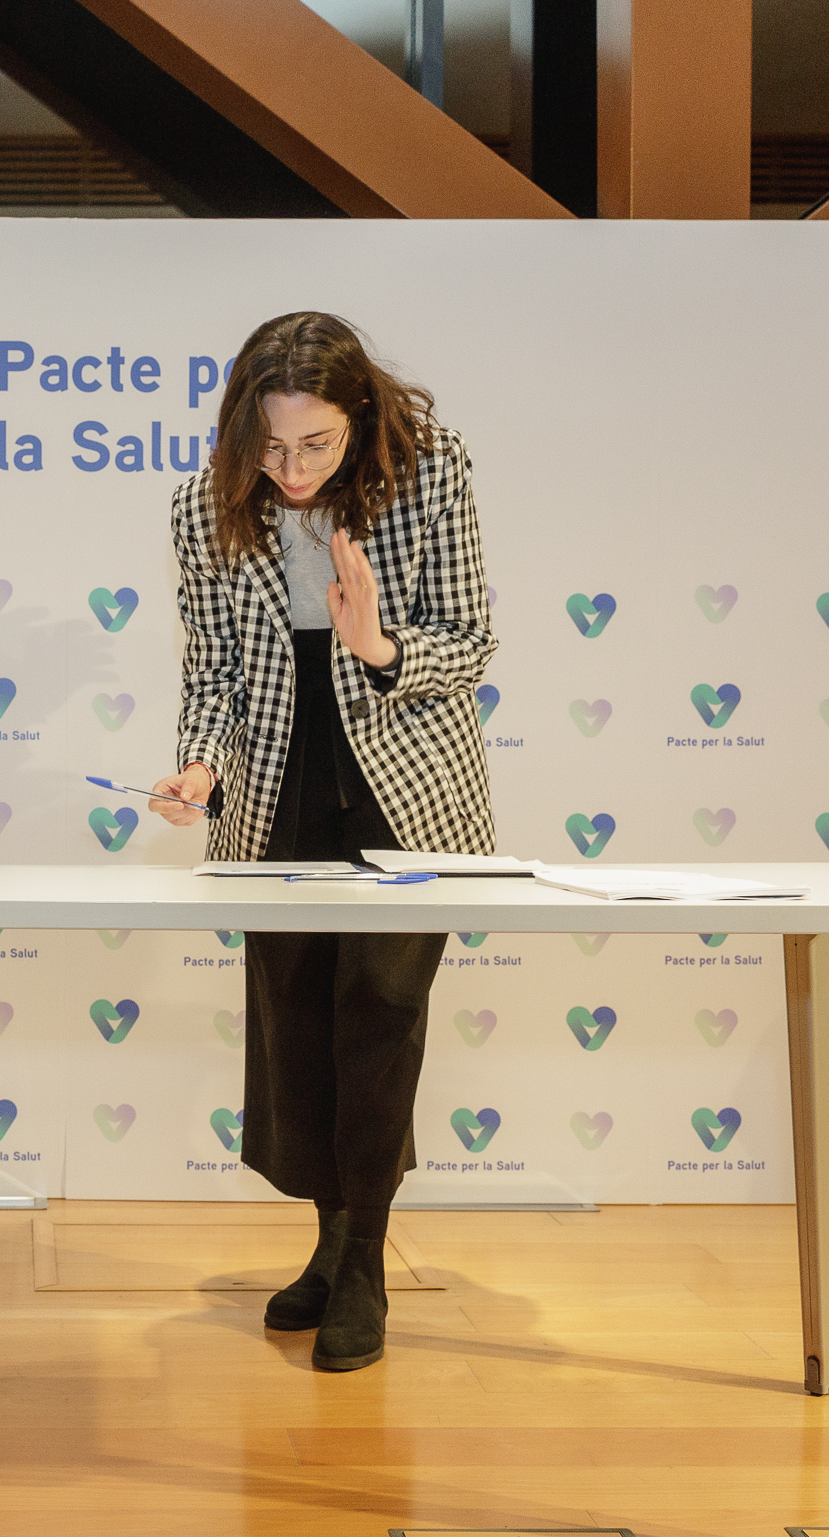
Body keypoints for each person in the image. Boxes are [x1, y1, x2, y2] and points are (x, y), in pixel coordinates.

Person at [148, 310, 497, 1374]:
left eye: (316, 444)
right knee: (293, 1021)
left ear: (358, 416)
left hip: (406, 783)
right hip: (277, 783)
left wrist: (379, 646)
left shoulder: (429, 471)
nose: (291, 469)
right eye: (270, 446)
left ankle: (365, 1264)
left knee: (379, 1015)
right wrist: (199, 766)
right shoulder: (202, 504)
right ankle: (331, 1237)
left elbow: (471, 641)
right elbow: (211, 671)